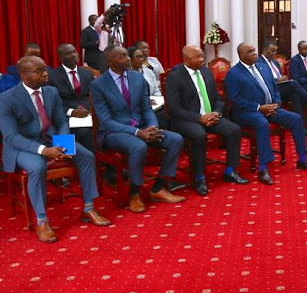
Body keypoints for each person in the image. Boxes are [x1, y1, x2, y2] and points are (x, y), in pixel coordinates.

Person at [0, 56, 110, 243]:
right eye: (39, 71)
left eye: (45, 69)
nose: (45, 74)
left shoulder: (51, 92)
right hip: (22, 146)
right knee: (37, 166)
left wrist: (64, 144)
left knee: (87, 156)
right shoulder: (6, 99)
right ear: (23, 75)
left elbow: (60, 121)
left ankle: (88, 208)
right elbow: (11, 136)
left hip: (51, 139)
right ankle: (42, 220)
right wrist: (44, 150)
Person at [90, 46, 185, 213]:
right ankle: (134, 193)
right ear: (109, 61)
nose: (127, 59)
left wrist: (152, 126)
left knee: (176, 140)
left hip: (142, 127)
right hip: (114, 132)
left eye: (127, 55)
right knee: (138, 146)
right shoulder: (98, 84)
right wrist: (138, 133)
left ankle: (159, 187)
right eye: (121, 57)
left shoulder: (137, 78)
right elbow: (105, 121)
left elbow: (146, 107)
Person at [224, 43, 307, 186]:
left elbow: (275, 89)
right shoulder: (233, 73)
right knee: (262, 123)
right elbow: (236, 99)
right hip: (248, 112)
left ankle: (303, 159)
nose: (254, 53)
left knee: (296, 118)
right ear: (240, 55)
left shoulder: (263, 67)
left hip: (271, 108)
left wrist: (276, 103)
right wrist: (259, 107)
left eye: (254, 51)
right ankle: (263, 168)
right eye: (249, 52)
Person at [165, 45, 247, 196]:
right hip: (186, 119)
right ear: (186, 60)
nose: (202, 59)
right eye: (197, 57)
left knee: (234, 130)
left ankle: (230, 171)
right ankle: (199, 178)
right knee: (199, 135)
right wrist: (199, 118)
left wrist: (216, 113)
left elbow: (217, 98)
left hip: (209, 116)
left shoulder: (206, 73)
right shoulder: (175, 77)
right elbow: (174, 108)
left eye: (202, 56)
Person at [259, 40, 307, 136]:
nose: (274, 54)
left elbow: (280, 75)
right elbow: (262, 80)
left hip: (281, 88)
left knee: (296, 95)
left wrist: (283, 78)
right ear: (265, 50)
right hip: (271, 89)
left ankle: (301, 127)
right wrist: (277, 80)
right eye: (272, 51)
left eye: (275, 51)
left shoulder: (275, 63)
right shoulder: (258, 62)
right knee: (294, 83)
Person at [47, 43, 95, 152]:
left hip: (89, 113)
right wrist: (71, 112)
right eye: (68, 53)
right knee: (84, 132)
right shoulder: (52, 76)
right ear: (61, 58)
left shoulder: (87, 73)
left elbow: (95, 96)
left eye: (74, 51)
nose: (73, 55)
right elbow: (50, 103)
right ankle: (96, 162)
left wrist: (92, 109)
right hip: (66, 115)